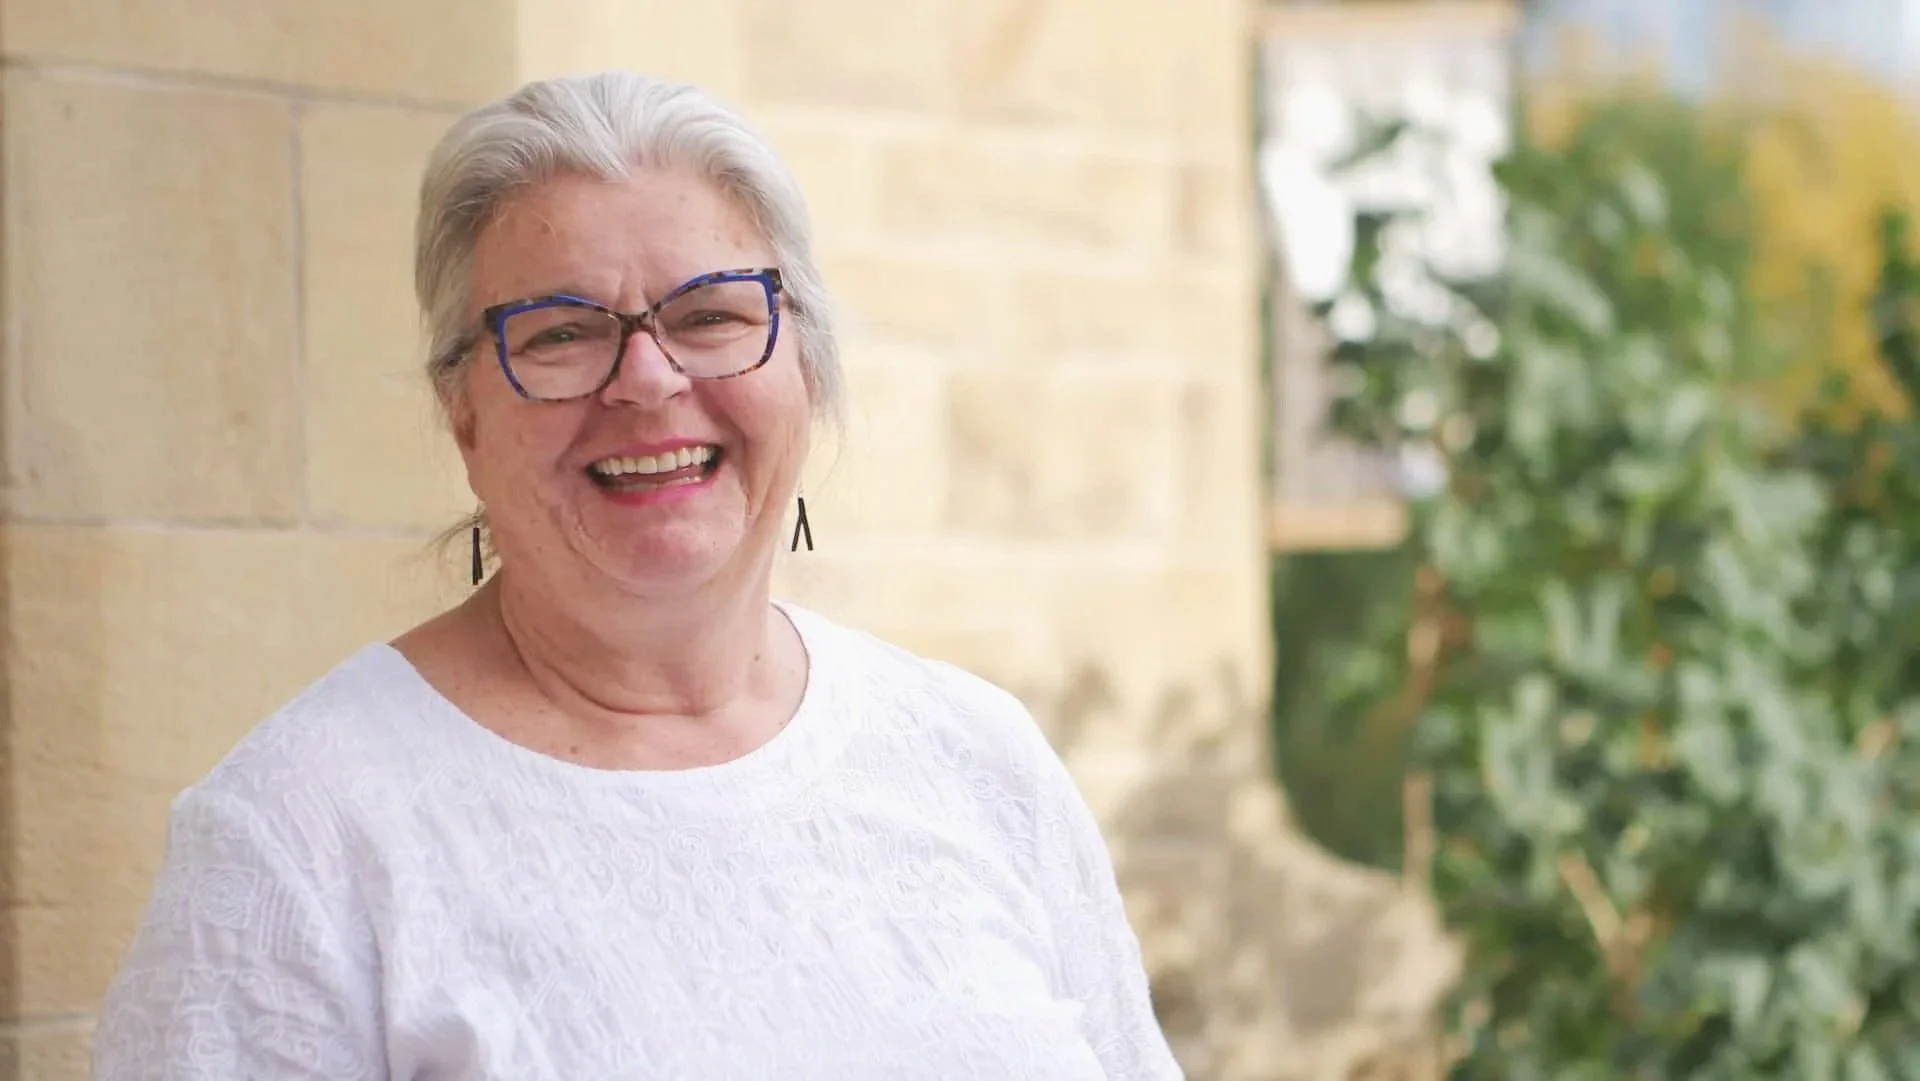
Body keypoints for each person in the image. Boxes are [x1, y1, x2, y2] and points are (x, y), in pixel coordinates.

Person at [89, 70, 1184, 1080]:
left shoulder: (976, 759)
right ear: (463, 412)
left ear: (805, 366)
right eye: (561, 334)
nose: (648, 380)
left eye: (711, 315)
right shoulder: (299, 838)